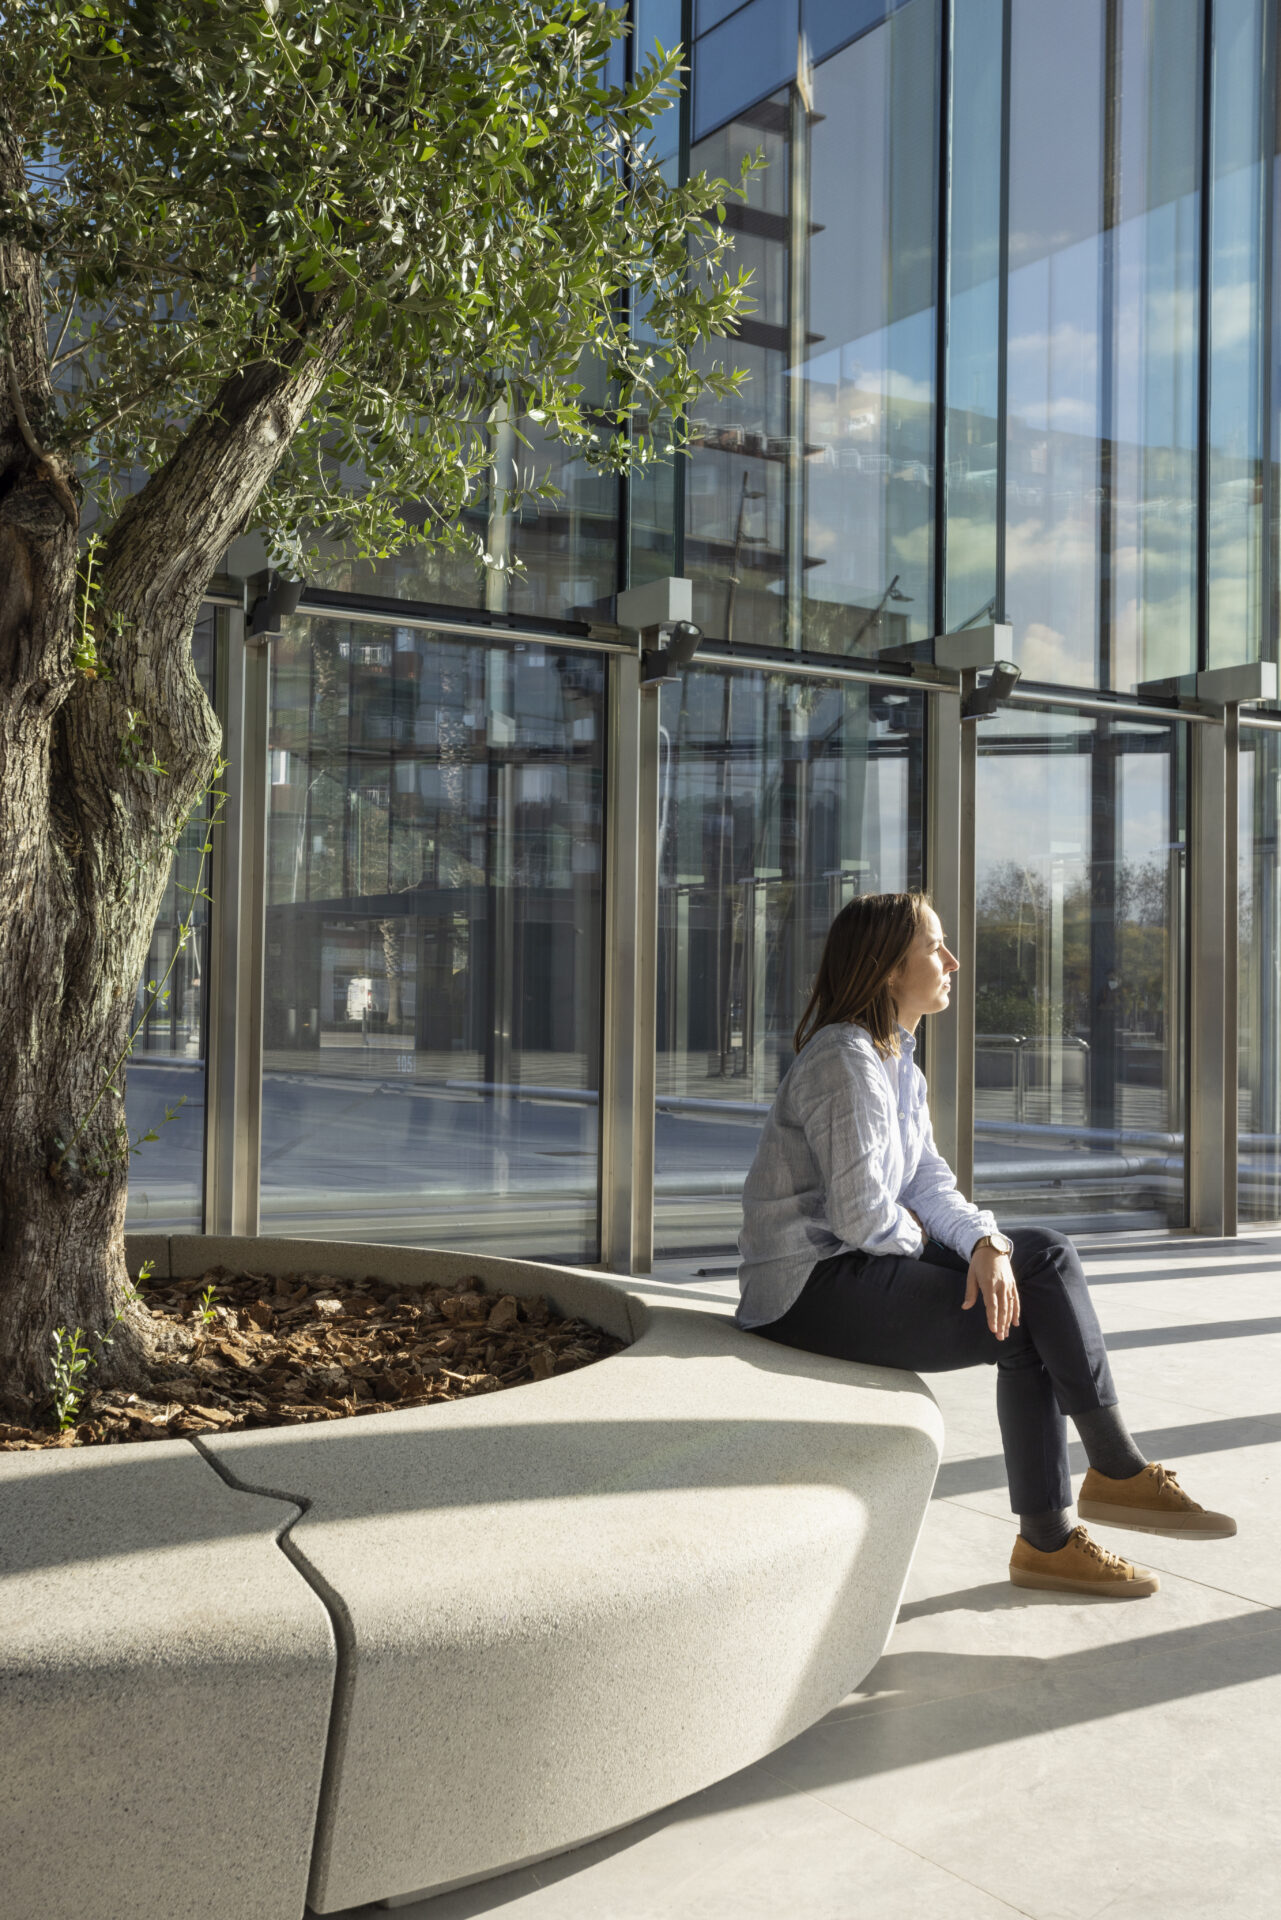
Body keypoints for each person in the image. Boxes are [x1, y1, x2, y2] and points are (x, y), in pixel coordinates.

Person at [737, 890, 1235, 1598]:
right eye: (934, 948)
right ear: (885, 969)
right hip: (805, 1289)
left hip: (850, 1263)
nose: (953, 961)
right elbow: (861, 1219)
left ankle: (1075, 1514)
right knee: (1030, 1307)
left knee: (1040, 1257)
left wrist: (985, 1244)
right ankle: (1082, 1504)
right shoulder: (844, 1062)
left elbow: (928, 1183)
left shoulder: (895, 1063)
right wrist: (967, 1255)